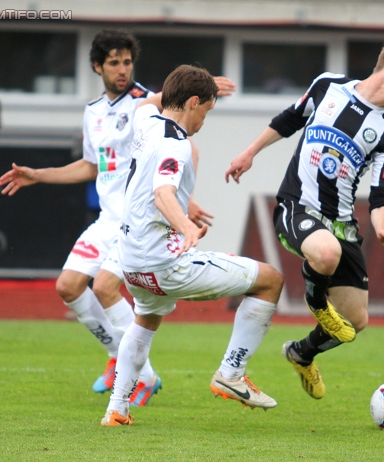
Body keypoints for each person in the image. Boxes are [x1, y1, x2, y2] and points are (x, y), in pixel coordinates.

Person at [0, 30, 233, 406]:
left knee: (104, 288)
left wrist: (182, 200)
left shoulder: (145, 102)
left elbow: (174, 140)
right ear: (97, 66)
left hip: (134, 218)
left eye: (127, 61)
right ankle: (117, 357)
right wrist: (38, 175)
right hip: (107, 216)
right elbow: (93, 166)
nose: (122, 70)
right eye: (114, 63)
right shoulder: (93, 112)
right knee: (68, 287)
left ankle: (142, 374)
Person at [225, 34, 384, 399]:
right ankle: (316, 301)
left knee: (356, 321)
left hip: (342, 225)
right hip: (298, 206)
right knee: (324, 253)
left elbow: (382, 194)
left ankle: (301, 353)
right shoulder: (328, 86)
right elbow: (290, 118)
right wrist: (250, 152)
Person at [100, 64, 283, 426]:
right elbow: (162, 191)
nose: (204, 120)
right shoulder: (177, 144)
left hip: (131, 263)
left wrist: (174, 89)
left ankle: (117, 410)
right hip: (166, 264)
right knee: (270, 280)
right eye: (206, 110)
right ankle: (231, 374)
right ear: (194, 102)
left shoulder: (146, 119)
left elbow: (144, 104)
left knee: (144, 323)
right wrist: (185, 227)